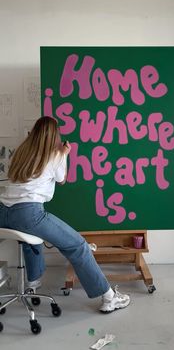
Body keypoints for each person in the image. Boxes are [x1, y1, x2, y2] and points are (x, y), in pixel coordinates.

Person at [0, 116, 130, 313]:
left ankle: (33, 284)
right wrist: (65, 154)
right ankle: (109, 297)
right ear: (54, 135)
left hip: (3, 212)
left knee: (29, 240)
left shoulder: (22, 151)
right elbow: (62, 180)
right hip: (28, 213)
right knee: (77, 245)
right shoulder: (55, 154)